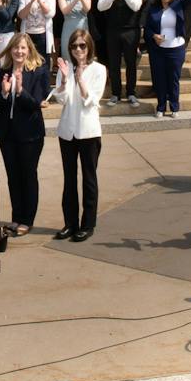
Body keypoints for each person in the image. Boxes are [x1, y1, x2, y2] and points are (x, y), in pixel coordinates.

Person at [0, 33, 52, 237]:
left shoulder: (38, 72)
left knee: (28, 175)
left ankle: (27, 220)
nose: (19, 51)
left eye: (23, 48)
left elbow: (36, 104)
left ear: (29, 51)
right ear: (10, 50)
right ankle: (16, 217)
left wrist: (19, 90)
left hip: (30, 133)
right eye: (16, 48)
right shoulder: (1, 72)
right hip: (7, 134)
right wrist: (3, 92)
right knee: (13, 177)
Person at [54, 29, 107, 241]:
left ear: (89, 47)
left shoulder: (99, 69)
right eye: (74, 46)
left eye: (82, 46)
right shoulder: (65, 68)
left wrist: (80, 80)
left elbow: (93, 100)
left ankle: (88, 224)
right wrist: (66, 79)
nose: (78, 50)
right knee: (69, 179)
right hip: (68, 131)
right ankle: (70, 223)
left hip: (89, 132)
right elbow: (62, 99)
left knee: (89, 179)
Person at [144, 0, 191, 117]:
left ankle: (174, 107)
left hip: (176, 48)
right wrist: (154, 36)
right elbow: (147, 28)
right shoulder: (153, 7)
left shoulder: (178, 4)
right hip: (158, 49)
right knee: (159, 79)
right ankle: (160, 107)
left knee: (173, 79)